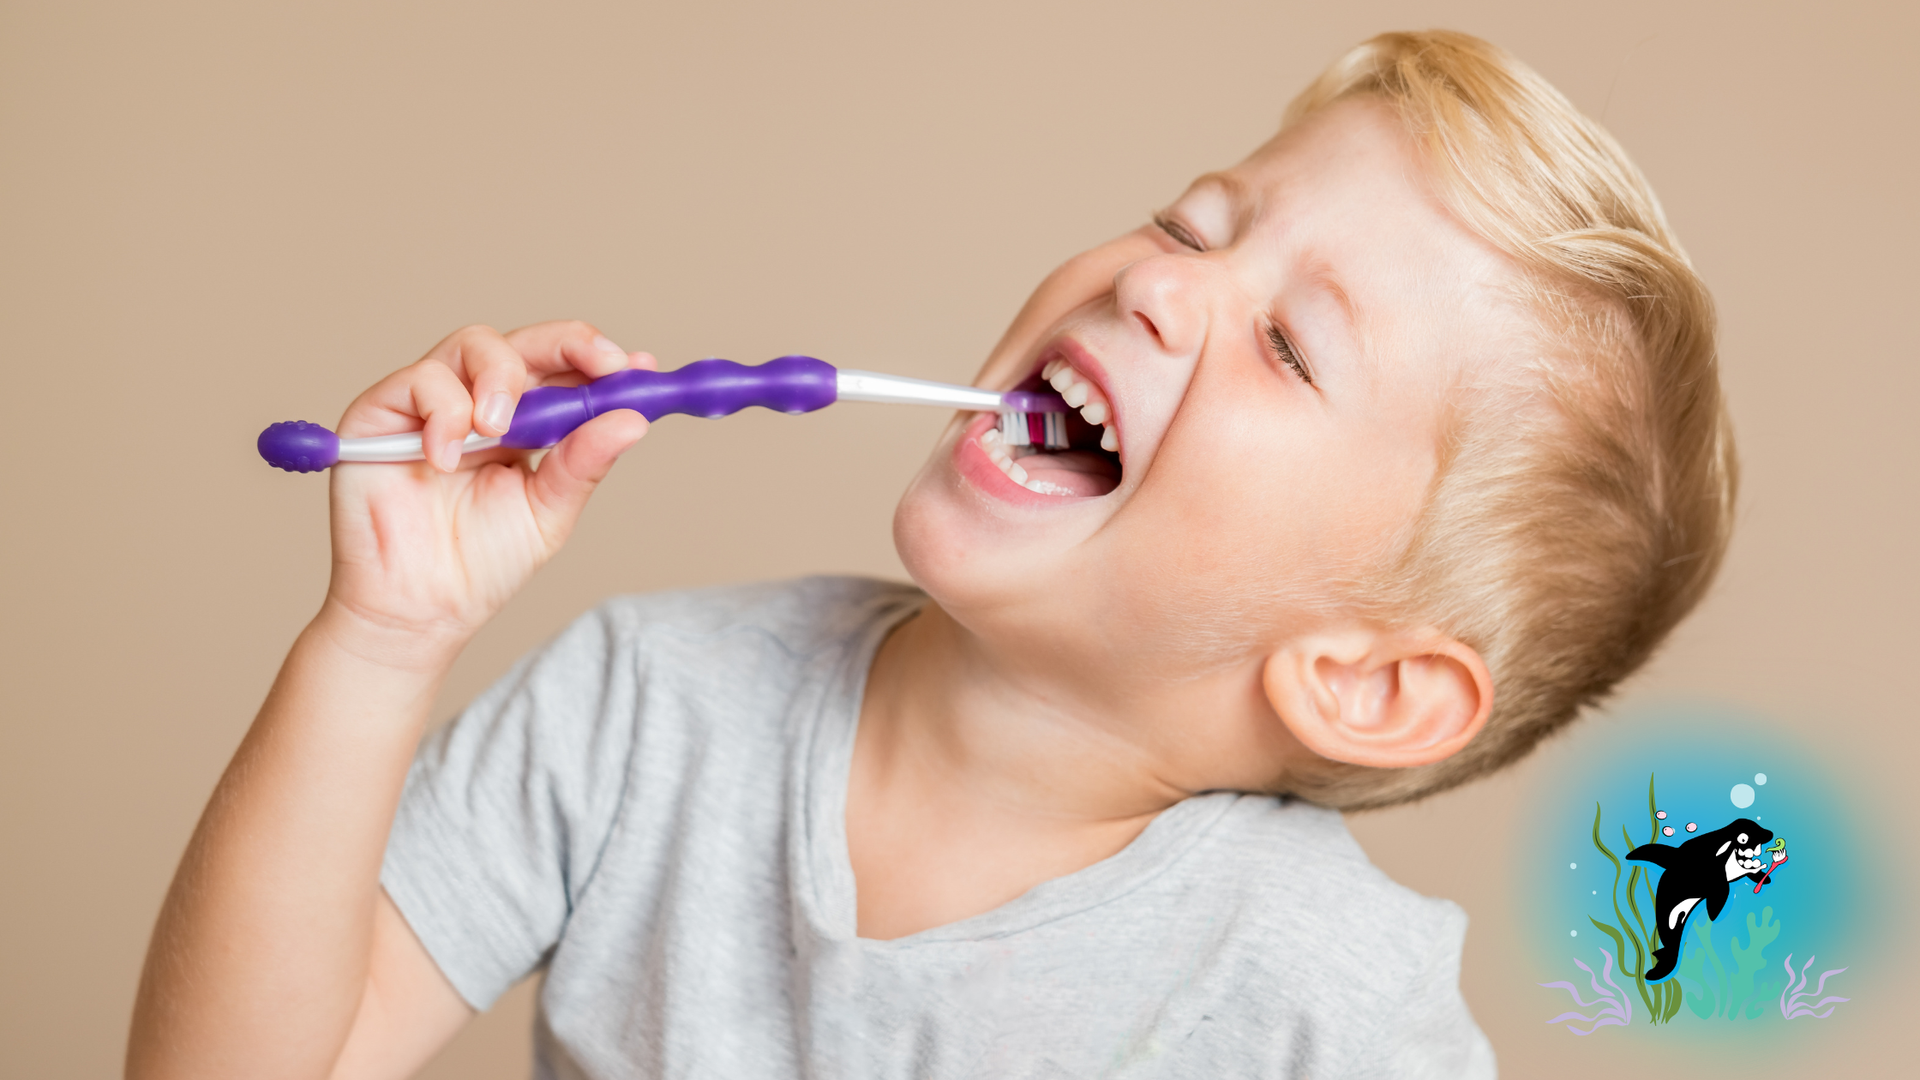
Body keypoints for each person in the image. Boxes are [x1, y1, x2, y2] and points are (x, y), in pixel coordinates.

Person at [127, 29, 1734, 1079]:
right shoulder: (648, 709)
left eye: (1295, 348)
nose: (1161, 290)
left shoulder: (1325, 1007)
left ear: (1367, 682)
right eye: (1193, 226)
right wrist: (384, 636)